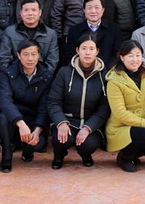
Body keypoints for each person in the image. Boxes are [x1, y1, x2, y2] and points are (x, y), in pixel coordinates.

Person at [47, 33, 110, 169]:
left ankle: (85, 154)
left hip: (90, 122)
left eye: (91, 49)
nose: (87, 52)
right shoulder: (64, 72)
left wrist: (88, 127)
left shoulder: (104, 76)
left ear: (97, 51)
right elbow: (53, 101)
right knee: (62, 139)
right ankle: (59, 155)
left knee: (88, 144)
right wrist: (61, 122)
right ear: (77, 50)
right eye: (84, 48)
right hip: (68, 120)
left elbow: (104, 108)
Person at [106, 40, 145, 172]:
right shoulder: (114, 80)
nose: (135, 59)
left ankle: (134, 152)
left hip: (144, 126)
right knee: (144, 136)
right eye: (130, 56)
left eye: (138, 55)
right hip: (122, 126)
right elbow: (120, 112)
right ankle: (125, 157)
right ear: (122, 57)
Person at [0, 39, 53, 172]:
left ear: (38, 55)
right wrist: (21, 124)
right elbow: (5, 101)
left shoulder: (46, 75)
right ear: (18, 55)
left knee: (39, 144)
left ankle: (27, 150)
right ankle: (6, 157)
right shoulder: (8, 72)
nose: (30, 58)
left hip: (32, 119)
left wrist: (37, 130)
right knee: (2, 118)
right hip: (14, 119)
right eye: (26, 54)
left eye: (33, 54)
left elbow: (44, 106)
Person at [0, 0, 59, 73]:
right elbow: (4, 59)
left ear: (40, 13)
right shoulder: (10, 32)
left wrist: (42, 76)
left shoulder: (51, 34)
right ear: (21, 13)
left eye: (33, 10)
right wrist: (14, 76)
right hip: (14, 75)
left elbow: (52, 61)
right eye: (26, 10)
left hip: (42, 76)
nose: (30, 13)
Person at [67, 0, 121, 67]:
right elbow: (70, 55)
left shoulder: (114, 29)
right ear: (84, 10)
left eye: (97, 7)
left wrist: (104, 69)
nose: (93, 11)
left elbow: (117, 54)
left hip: (107, 70)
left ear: (103, 10)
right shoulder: (74, 31)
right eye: (89, 8)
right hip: (81, 70)